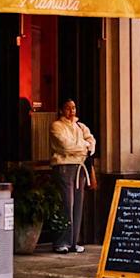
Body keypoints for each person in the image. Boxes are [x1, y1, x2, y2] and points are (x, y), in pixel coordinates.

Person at [49, 98, 95, 255]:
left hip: (79, 167)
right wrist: (84, 146)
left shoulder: (80, 126)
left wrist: (85, 147)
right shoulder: (57, 126)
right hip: (63, 167)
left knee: (77, 204)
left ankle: (74, 242)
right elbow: (65, 146)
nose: (71, 111)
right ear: (62, 110)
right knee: (66, 204)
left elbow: (92, 142)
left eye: (74, 108)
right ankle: (61, 241)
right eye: (68, 108)